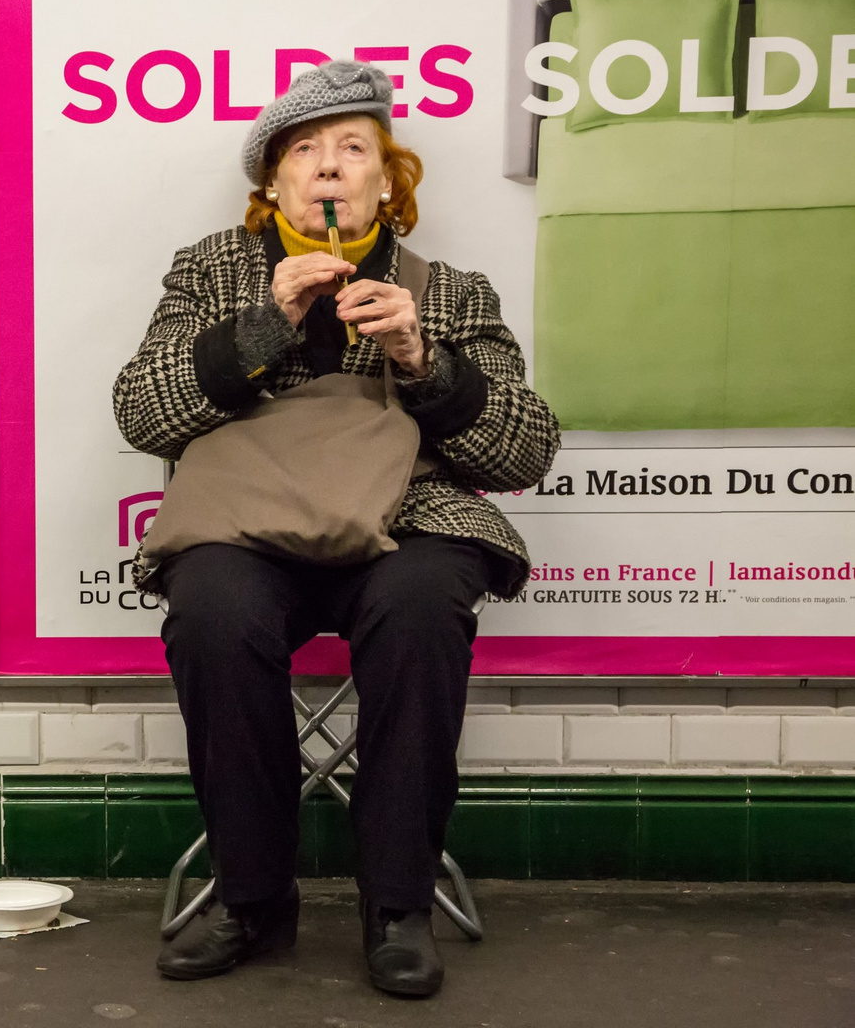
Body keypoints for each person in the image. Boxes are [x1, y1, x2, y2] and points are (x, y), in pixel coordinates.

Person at [113, 61, 560, 998]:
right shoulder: (211, 271)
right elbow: (143, 415)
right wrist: (265, 324)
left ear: (387, 182)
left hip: (407, 524)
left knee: (422, 606)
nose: (328, 167)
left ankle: (396, 905)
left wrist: (420, 356)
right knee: (211, 609)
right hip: (250, 524)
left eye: (353, 149)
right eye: (303, 152)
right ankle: (252, 896)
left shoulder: (449, 290)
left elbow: (522, 453)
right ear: (272, 187)